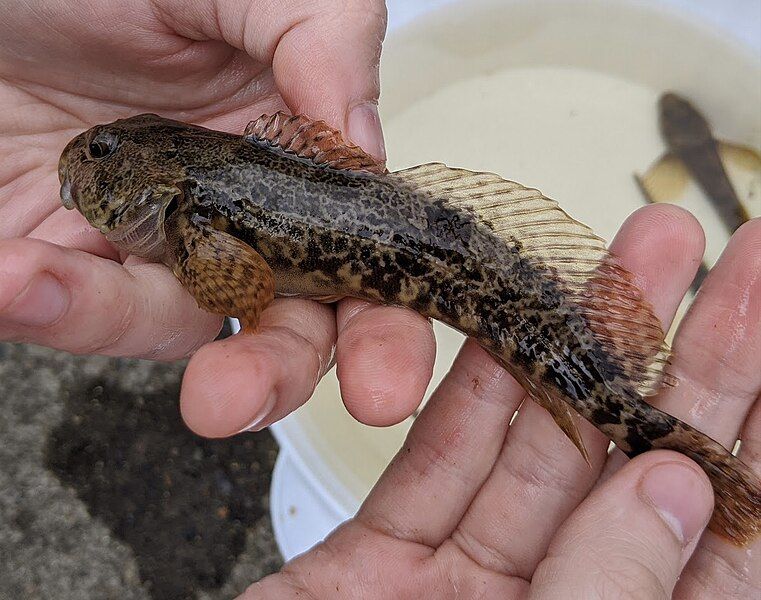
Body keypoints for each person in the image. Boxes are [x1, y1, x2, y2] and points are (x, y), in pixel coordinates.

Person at [0, 1, 758, 597]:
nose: (91, 156)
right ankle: (678, 459)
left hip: (460, 261)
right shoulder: (198, 186)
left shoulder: (195, 206)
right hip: (429, 238)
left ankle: (665, 450)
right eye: (103, 149)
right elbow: (246, 283)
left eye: (105, 152)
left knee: (564, 375)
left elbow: (239, 288)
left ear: (161, 186)